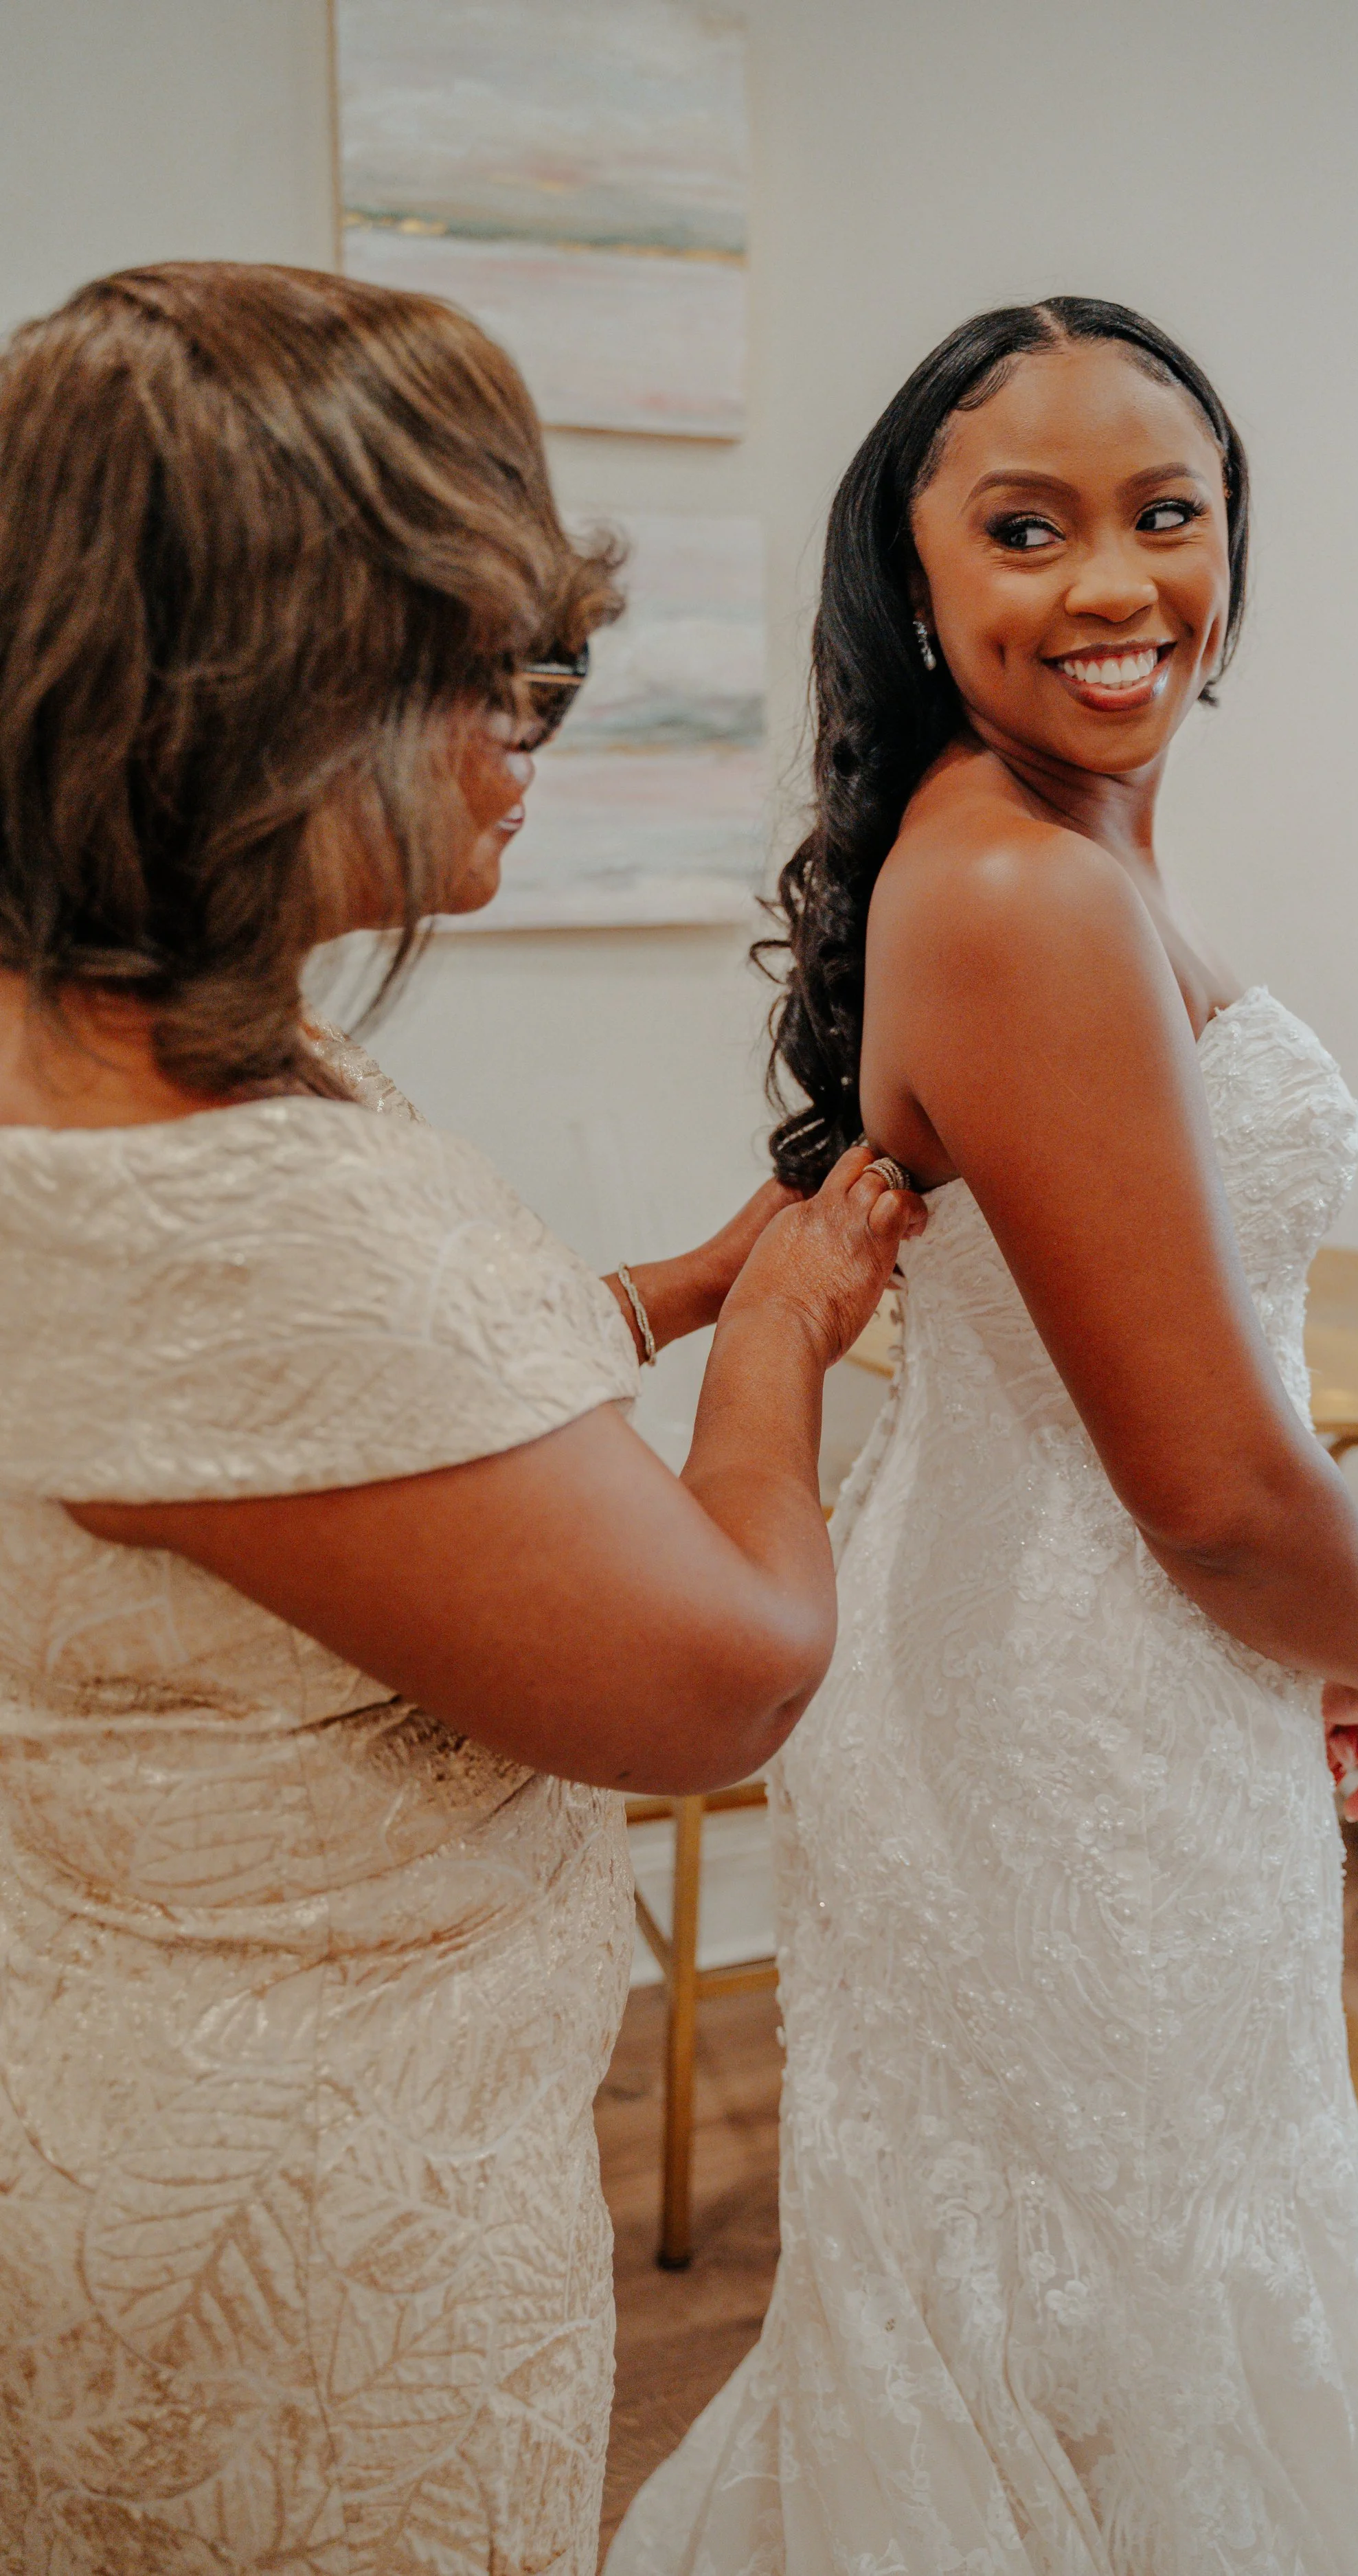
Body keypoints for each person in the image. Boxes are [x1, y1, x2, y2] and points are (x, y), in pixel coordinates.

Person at [0, 262, 923, 2575]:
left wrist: (658, 1291)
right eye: (490, 666)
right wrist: (786, 1328)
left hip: (134, 2084)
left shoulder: (91, 1050)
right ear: (256, 695)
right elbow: (715, 1676)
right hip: (309, 2238)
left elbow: (325, 1462)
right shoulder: (221, 1209)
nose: (534, 726)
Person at [611, 299, 1358, 2573]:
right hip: (1073, 1707)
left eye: (1165, 512)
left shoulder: (1041, 835)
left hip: (1076, 1665)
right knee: (1127, 2278)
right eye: (1025, 528)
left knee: (1120, 2281)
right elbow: (1209, 1481)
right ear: (910, 585)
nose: (1114, 583)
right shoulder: (1022, 884)